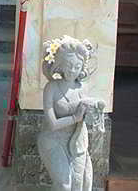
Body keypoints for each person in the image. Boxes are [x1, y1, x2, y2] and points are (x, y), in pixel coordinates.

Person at [37, 35, 104, 191]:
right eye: (68, 65)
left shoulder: (82, 88)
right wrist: (75, 117)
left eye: (77, 66)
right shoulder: (51, 88)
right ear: (59, 65)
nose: (72, 71)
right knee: (64, 186)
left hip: (76, 141)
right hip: (53, 140)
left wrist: (95, 110)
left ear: (82, 68)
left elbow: (87, 117)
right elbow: (52, 124)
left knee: (82, 184)